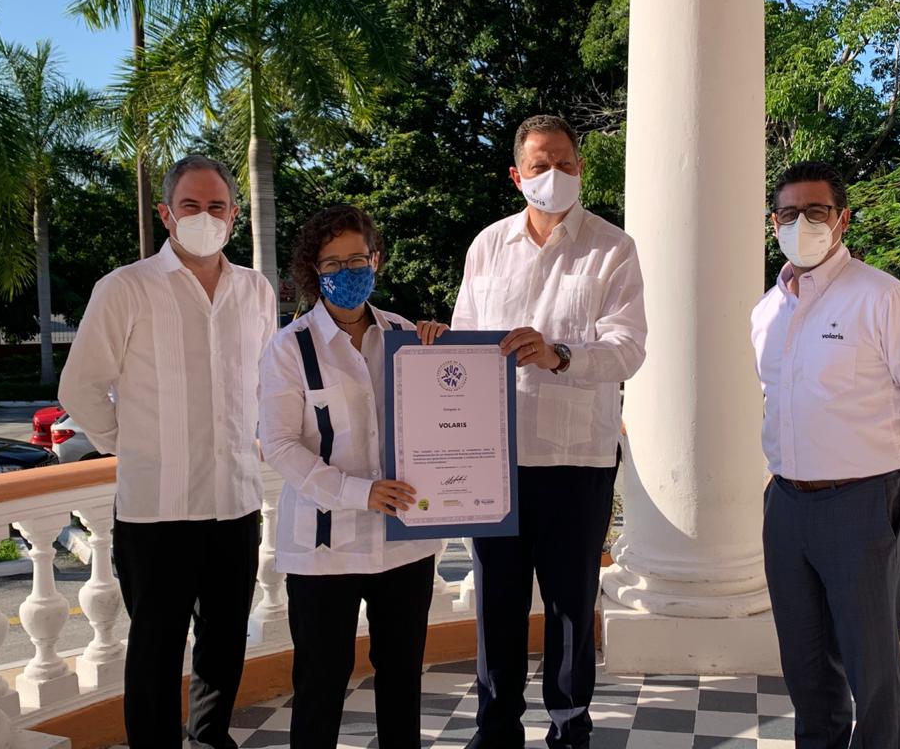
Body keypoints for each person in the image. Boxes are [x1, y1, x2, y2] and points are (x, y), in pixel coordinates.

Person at [59, 155, 276, 748]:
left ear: (233, 215)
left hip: (235, 503)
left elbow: (266, 382)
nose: (204, 216)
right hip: (156, 511)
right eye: (190, 205)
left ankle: (210, 740)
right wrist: (134, 447)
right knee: (155, 652)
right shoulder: (125, 288)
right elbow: (80, 387)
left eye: (216, 206)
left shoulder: (255, 290)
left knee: (225, 644)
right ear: (166, 214)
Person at [452, 115, 647, 749]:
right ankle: (495, 729)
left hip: (577, 459)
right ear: (517, 175)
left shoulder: (613, 248)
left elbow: (628, 348)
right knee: (497, 605)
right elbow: (463, 343)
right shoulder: (487, 246)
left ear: (580, 168)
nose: (553, 174)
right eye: (540, 165)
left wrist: (560, 354)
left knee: (569, 606)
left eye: (564, 162)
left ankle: (569, 730)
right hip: (494, 460)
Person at [750, 161, 900, 747]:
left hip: (862, 502)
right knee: (805, 665)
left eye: (816, 211)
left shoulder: (884, 298)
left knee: (872, 669)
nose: (803, 224)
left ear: (841, 220)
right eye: (789, 213)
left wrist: (889, 471)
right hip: (785, 504)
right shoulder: (766, 312)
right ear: (774, 223)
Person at [259, 204, 446, 749]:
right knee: (320, 683)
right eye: (332, 264)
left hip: (404, 545)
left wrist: (445, 349)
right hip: (325, 549)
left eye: (356, 260)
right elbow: (279, 445)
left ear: (376, 260)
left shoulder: (407, 336)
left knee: (402, 681)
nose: (346, 272)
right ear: (314, 270)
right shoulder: (290, 347)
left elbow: (445, 414)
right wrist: (359, 493)